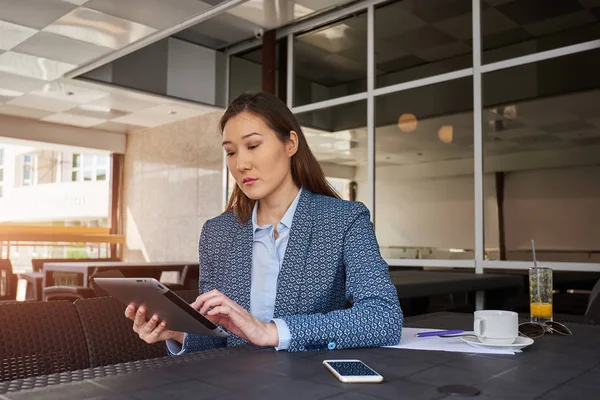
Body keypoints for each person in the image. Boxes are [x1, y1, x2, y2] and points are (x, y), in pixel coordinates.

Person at [125, 92, 403, 353]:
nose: (241, 164)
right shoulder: (217, 233)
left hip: (312, 383)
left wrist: (272, 332)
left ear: (290, 143)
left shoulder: (344, 220)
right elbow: (219, 337)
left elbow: (383, 318)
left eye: (253, 145)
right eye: (231, 152)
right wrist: (178, 332)